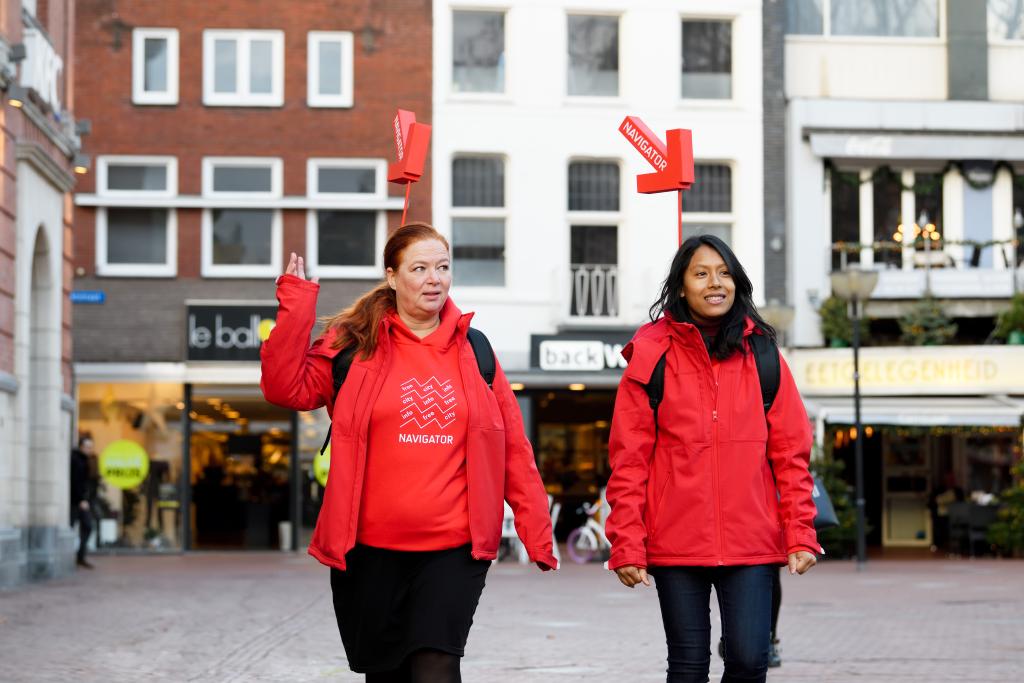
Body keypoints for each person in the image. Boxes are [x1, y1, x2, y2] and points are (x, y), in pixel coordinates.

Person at [260, 223, 557, 682]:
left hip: (452, 550)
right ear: (392, 276)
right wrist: (296, 304)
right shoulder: (352, 344)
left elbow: (513, 446)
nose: (434, 278)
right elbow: (286, 389)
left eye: (442, 267)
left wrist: (535, 529)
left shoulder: (475, 350)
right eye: (419, 268)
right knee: (386, 673)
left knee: (437, 666)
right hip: (368, 550)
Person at [605, 234, 820, 683]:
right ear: (682, 286)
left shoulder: (762, 353)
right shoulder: (652, 354)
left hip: (750, 541)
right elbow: (630, 459)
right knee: (687, 668)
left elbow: (791, 453)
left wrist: (800, 531)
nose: (714, 283)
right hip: (675, 540)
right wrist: (627, 540)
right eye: (701, 273)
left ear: (737, 283)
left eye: (723, 273)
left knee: (748, 660)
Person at [70, 435, 99, 569]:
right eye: (87, 447)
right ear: (81, 446)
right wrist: (81, 499)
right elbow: (75, 482)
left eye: (91, 447)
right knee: (75, 527)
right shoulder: (76, 460)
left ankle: (80, 557)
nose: (89, 449)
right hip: (75, 502)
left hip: (82, 500)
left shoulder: (87, 460)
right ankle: (73, 557)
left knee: (87, 526)